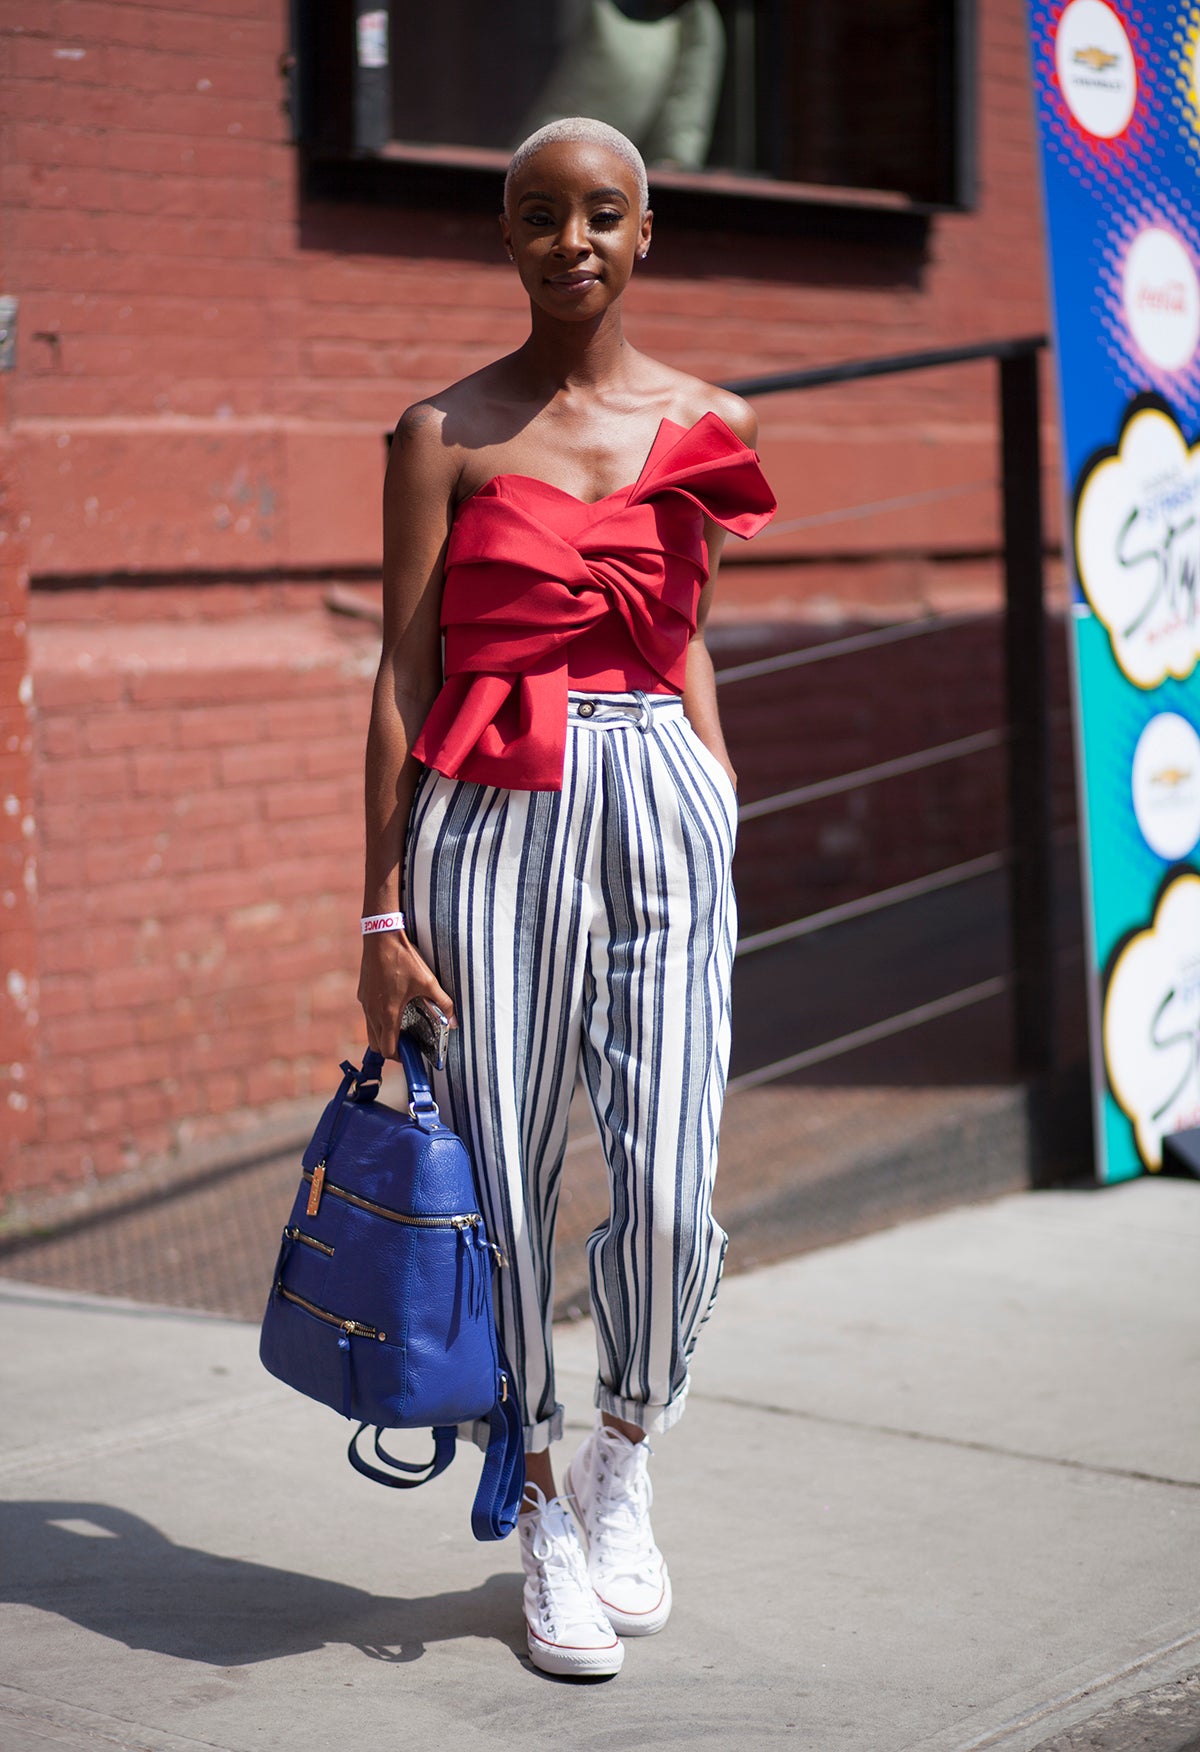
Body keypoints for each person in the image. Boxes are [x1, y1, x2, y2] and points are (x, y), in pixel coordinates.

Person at [357, 116, 776, 1679]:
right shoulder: (442, 430)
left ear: (646, 232)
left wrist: (716, 799)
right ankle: (537, 1503)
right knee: (509, 1190)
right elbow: (404, 672)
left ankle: (623, 1445)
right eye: (540, 216)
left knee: (670, 1189)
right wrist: (380, 914)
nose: (572, 240)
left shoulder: (710, 420)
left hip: (660, 797)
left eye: (603, 213)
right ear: (511, 239)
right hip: (490, 818)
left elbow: (684, 636)